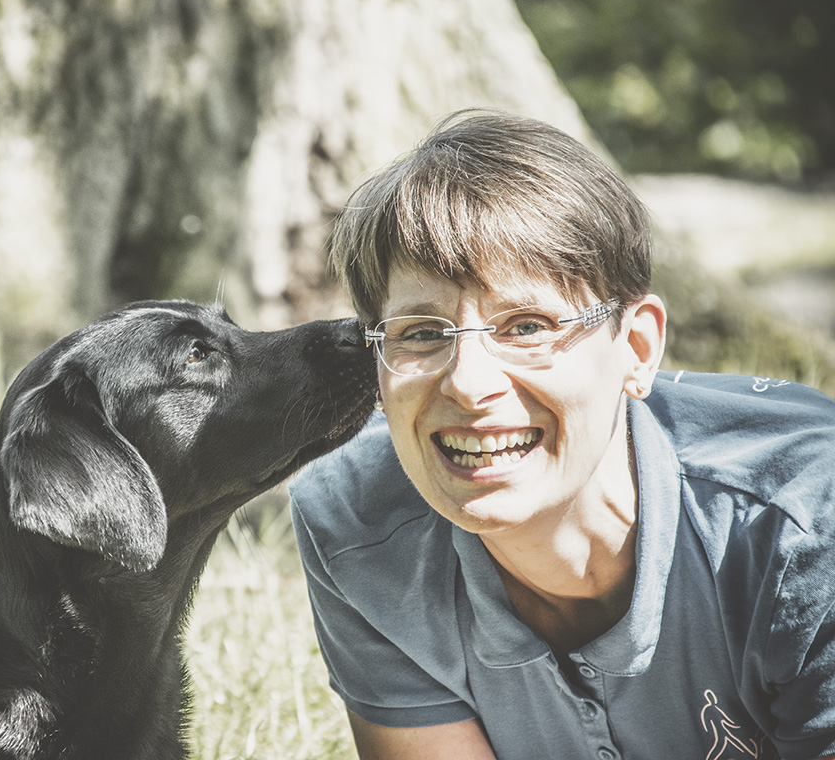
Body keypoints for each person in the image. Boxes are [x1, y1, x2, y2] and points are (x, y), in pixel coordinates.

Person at [289, 109, 835, 760]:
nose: (467, 384)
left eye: (525, 327)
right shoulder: (355, 524)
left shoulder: (803, 521)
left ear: (636, 347)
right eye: (423, 333)